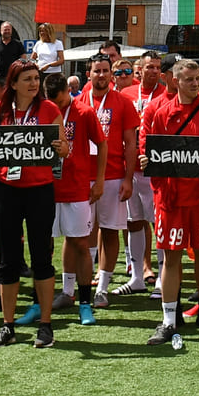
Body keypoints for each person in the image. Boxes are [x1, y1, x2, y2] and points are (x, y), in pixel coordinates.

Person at [141, 55, 199, 348]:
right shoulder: (161, 113)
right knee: (171, 259)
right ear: (176, 80)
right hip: (172, 200)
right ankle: (169, 321)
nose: (196, 84)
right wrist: (146, 159)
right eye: (190, 80)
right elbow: (147, 148)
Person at [0, 60, 67, 348]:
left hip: (40, 191)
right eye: (27, 79)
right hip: (6, 190)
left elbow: (65, 149)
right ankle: (7, 325)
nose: (33, 83)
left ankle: (45, 325)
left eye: (35, 78)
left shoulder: (49, 109)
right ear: (13, 83)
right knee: (8, 259)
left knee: (41, 257)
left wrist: (61, 147)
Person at [47, 69, 107, 324]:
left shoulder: (84, 112)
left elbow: (102, 143)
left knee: (80, 242)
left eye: (60, 100)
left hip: (77, 188)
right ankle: (64, 292)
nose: (56, 105)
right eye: (51, 100)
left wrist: (99, 180)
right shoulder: (44, 111)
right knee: (47, 244)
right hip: (47, 188)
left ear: (68, 92)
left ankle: (84, 302)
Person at [78, 54, 138, 303]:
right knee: (81, 233)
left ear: (111, 74)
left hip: (113, 176)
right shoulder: (79, 101)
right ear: (88, 74)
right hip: (83, 177)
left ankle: (102, 287)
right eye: (97, 71)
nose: (101, 75)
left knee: (111, 231)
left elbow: (131, 143)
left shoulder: (123, 102)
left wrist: (128, 178)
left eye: (105, 70)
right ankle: (81, 282)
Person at [116, 51, 169, 297]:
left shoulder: (167, 95)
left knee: (159, 223)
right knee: (133, 221)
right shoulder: (126, 94)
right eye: (149, 67)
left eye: (157, 67)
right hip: (130, 167)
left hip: (156, 169)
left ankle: (162, 278)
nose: (154, 71)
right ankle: (137, 277)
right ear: (140, 69)